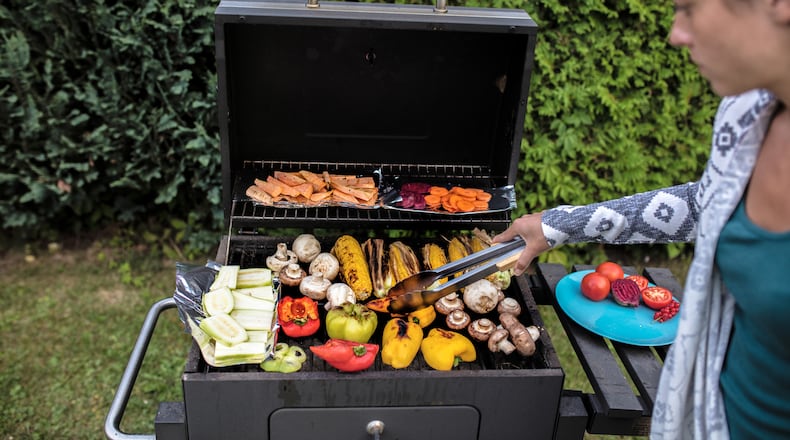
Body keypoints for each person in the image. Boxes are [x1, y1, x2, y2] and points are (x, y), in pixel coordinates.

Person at [492, 0, 790, 438]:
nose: (675, 34)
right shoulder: (748, 115)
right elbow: (705, 204)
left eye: (688, 9)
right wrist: (557, 225)